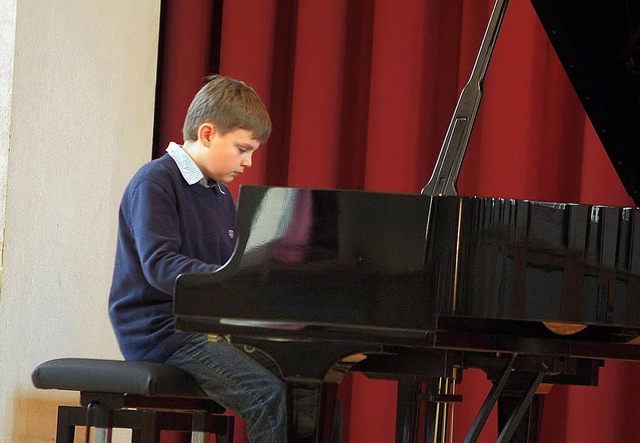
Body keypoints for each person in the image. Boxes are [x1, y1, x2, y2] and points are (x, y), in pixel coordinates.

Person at [108, 75, 287, 442]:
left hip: (203, 328)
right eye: (242, 148)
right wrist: (231, 277)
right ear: (207, 134)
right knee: (267, 395)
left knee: (310, 388)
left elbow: (228, 265)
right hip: (162, 331)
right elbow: (160, 265)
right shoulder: (155, 182)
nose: (249, 162)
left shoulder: (219, 193)